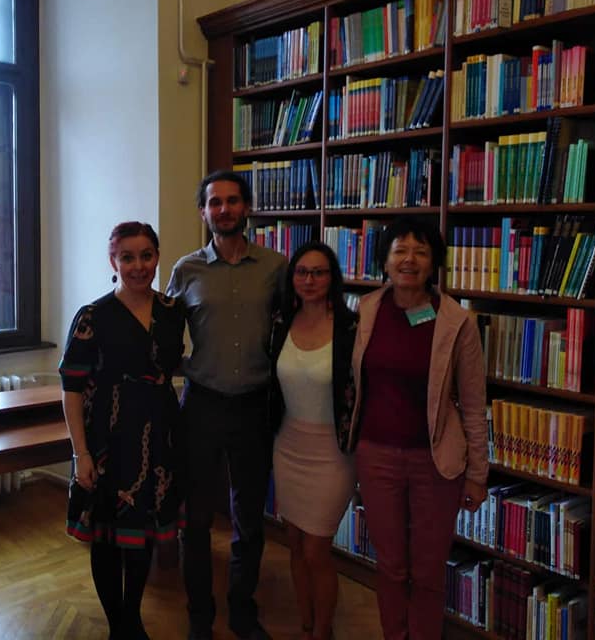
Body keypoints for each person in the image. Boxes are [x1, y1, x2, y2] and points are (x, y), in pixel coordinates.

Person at [346, 217, 489, 640]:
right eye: (400, 250)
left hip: (435, 462)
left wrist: (478, 474)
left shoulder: (457, 321)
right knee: (390, 566)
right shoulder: (366, 310)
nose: (409, 260)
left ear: (433, 263)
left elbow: (474, 405)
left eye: (420, 252)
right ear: (385, 260)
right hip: (376, 457)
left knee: (427, 570)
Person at [166, 170, 287, 640]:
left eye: (233, 201)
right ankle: (200, 614)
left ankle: (242, 610)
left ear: (247, 207)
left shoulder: (276, 267)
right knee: (196, 518)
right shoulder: (186, 270)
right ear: (203, 212)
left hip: (255, 406)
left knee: (249, 518)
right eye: (214, 202)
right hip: (201, 406)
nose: (224, 209)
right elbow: (163, 334)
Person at [59, 221, 186, 640]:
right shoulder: (92, 316)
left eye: (146, 255)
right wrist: (81, 453)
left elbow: (176, 364)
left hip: (159, 437)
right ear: (113, 262)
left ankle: (133, 618)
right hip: (107, 441)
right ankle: (119, 626)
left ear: (157, 257)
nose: (138, 265)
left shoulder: (172, 310)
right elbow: (72, 388)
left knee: (143, 533)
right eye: (127, 257)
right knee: (108, 537)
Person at [269, 241, 358, 640]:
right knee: (294, 543)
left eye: (319, 272)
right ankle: (305, 621)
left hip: (333, 454)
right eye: (302, 272)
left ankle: (323, 630)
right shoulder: (280, 323)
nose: (309, 280)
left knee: (316, 549)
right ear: (292, 278)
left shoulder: (352, 328)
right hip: (287, 446)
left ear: (332, 278)